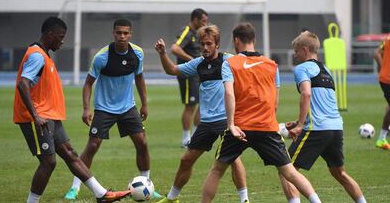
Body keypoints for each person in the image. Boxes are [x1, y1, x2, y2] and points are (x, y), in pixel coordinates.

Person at [201, 23, 322, 203]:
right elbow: (275, 101)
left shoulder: (230, 63)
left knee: (217, 170)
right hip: (267, 127)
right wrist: (269, 122)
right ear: (254, 40)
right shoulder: (272, 65)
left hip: (240, 128)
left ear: (236, 40)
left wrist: (231, 125)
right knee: (289, 172)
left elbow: (228, 93)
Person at [13, 17, 129, 203]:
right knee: (48, 162)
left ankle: (102, 195)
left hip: (50, 117)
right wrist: (35, 115)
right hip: (37, 118)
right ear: (49, 35)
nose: (62, 40)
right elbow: (23, 84)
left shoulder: (44, 55)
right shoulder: (36, 55)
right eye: (60, 36)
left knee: (70, 153)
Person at [64, 18, 161, 200]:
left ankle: (147, 183)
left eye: (125, 33)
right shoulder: (102, 57)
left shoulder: (137, 53)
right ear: (113, 33)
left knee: (142, 142)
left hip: (128, 107)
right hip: (104, 108)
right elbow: (88, 84)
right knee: (93, 145)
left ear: (130, 34)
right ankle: (75, 187)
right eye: (118, 33)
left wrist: (145, 104)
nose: (122, 36)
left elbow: (139, 78)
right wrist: (86, 109)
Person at [154, 25, 249, 203]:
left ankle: (244, 199)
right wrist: (162, 54)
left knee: (234, 159)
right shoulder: (198, 64)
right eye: (202, 44)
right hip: (206, 123)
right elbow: (172, 70)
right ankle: (172, 198)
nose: (205, 48)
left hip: (226, 120)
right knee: (186, 159)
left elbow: (249, 70)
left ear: (217, 45)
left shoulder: (229, 60)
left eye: (209, 44)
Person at [280, 31, 367, 203]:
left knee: (287, 170)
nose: (295, 55)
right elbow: (323, 103)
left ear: (305, 49)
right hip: (335, 128)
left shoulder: (302, 69)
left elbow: (306, 94)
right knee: (340, 173)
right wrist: (299, 121)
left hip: (317, 129)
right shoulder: (326, 70)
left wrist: (300, 126)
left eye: (296, 51)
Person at [171, 8, 209, 147]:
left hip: (199, 74)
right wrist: (191, 60)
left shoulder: (200, 34)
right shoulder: (187, 31)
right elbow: (175, 48)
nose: (205, 24)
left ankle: (195, 136)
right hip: (188, 74)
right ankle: (185, 139)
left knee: (202, 104)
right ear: (195, 20)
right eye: (203, 21)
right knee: (190, 105)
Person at [374, 37, 390, 150]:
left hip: (384, 78)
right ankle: (382, 137)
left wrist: (382, 67)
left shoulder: (387, 38)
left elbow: (376, 53)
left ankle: (382, 138)